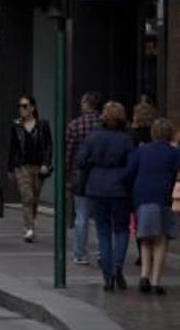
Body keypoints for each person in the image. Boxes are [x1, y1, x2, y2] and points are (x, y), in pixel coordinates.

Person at [76, 102, 136, 292]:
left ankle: (108, 275)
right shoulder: (126, 140)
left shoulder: (93, 137)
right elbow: (132, 165)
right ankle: (118, 265)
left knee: (103, 232)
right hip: (119, 189)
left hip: (96, 187)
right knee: (121, 229)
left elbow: (80, 160)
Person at [122, 118, 180, 295]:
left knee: (145, 238)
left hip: (142, 198)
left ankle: (143, 276)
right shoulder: (174, 153)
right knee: (161, 240)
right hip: (163, 199)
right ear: (170, 133)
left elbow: (128, 173)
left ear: (153, 133)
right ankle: (155, 282)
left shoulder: (141, 151)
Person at [7, 94, 53, 243]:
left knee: (34, 197)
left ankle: (31, 222)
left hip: (38, 166)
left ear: (32, 108)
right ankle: (29, 228)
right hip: (22, 166)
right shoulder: (16, 125)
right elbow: (12, 147)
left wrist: (46, 163)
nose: (22, 109)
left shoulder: (43, 124)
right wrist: (10, 168)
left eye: (25, 106)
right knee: (26, 196)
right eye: (20, 106)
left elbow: (48, 145)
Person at [66, 92, 103, 265]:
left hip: (80, 175)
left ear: (87, 104)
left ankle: (80, 254)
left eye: (82, 102)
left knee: (81, 217)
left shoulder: (75, 125)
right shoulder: (105, 124)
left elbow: (69, 153)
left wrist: (67, 177)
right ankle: (102, 252)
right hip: (102, 175)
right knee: (101, 216)